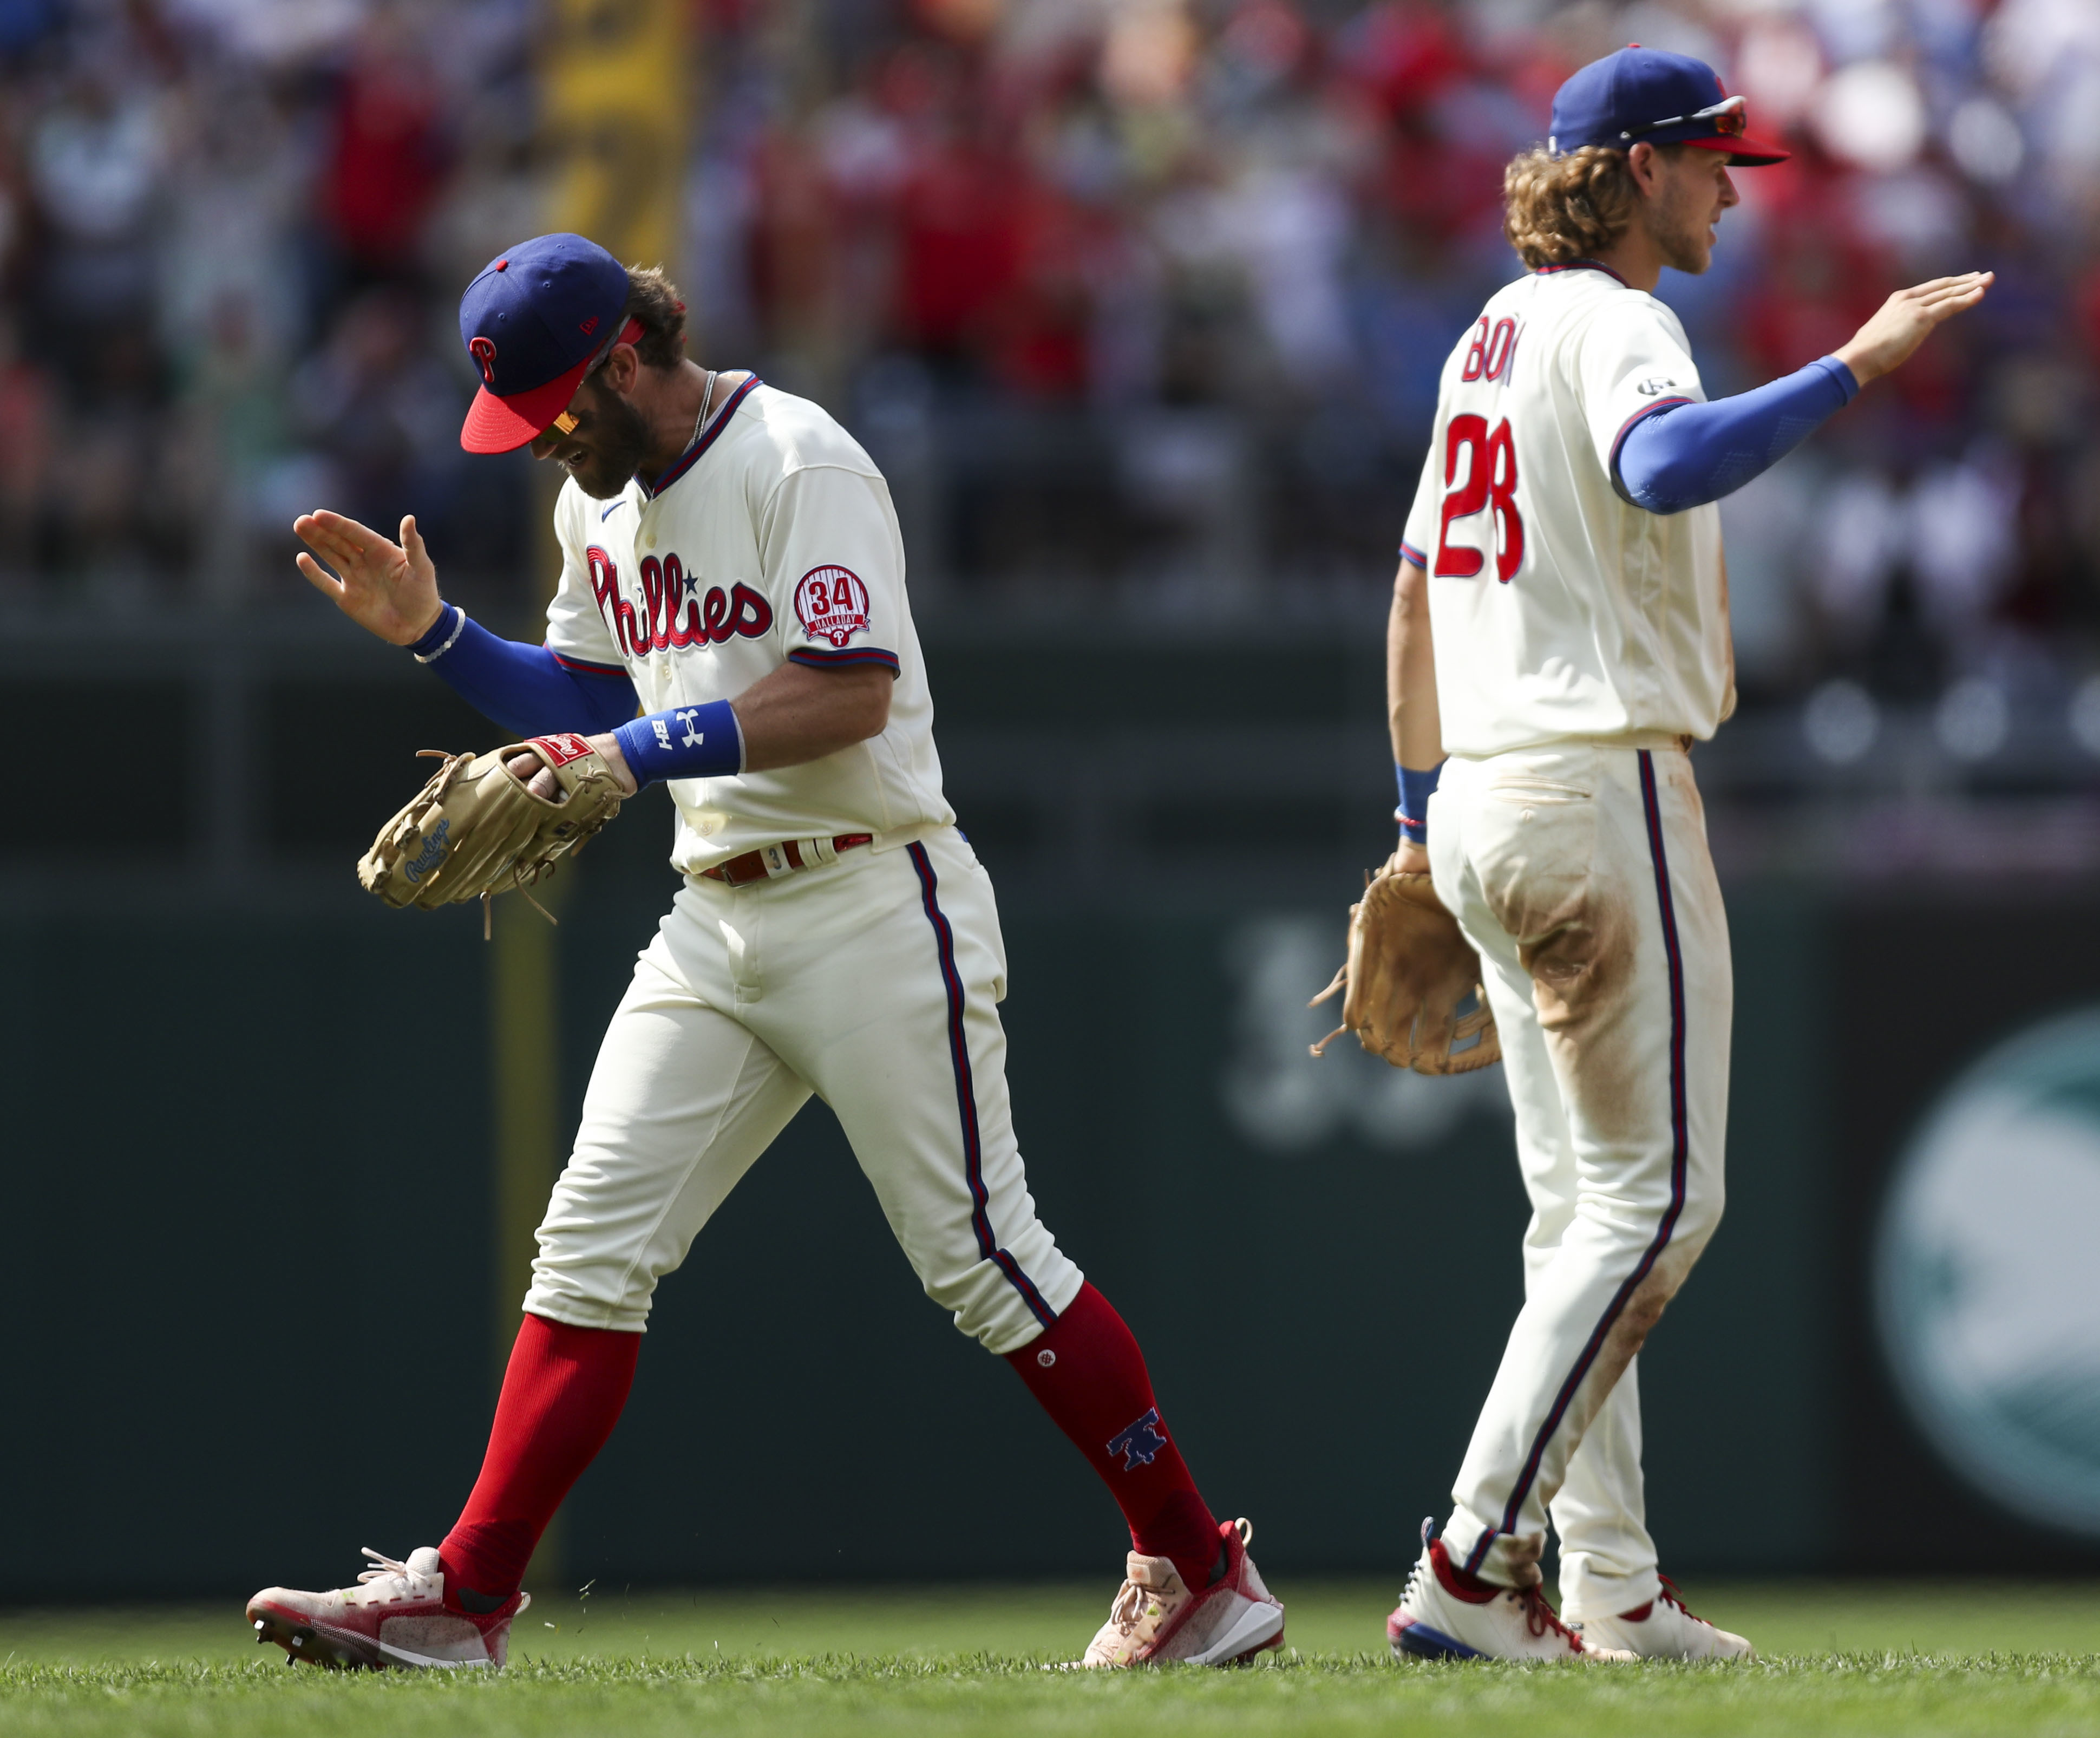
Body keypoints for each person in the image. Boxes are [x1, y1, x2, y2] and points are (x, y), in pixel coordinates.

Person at [244, 232, 1284, 1672]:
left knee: (981, 1258)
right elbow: (593, 690)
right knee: (591, 1243)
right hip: (714, 910)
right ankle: (467, 1595)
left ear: (622, 356)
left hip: (873, 891)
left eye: (558, 404)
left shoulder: (798, 457)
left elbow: (847, 694)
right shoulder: (594, 509)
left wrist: (629, 748)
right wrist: (437, 638)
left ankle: (1199, 1564)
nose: (544, 438)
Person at [1378, 49, 1989, 1662]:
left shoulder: (1482, 342)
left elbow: (1411, 600)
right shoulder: (1615, 321)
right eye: (1714, 158)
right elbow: (1668, 464)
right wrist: (1859, 361)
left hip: (1484, 793)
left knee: (1576, 1209)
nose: (1735, 183)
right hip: (1597, 786)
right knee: (1660, 1203)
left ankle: (1609, 1582)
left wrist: (1409, 811)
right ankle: (1469, 1557)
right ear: (1637, 168)